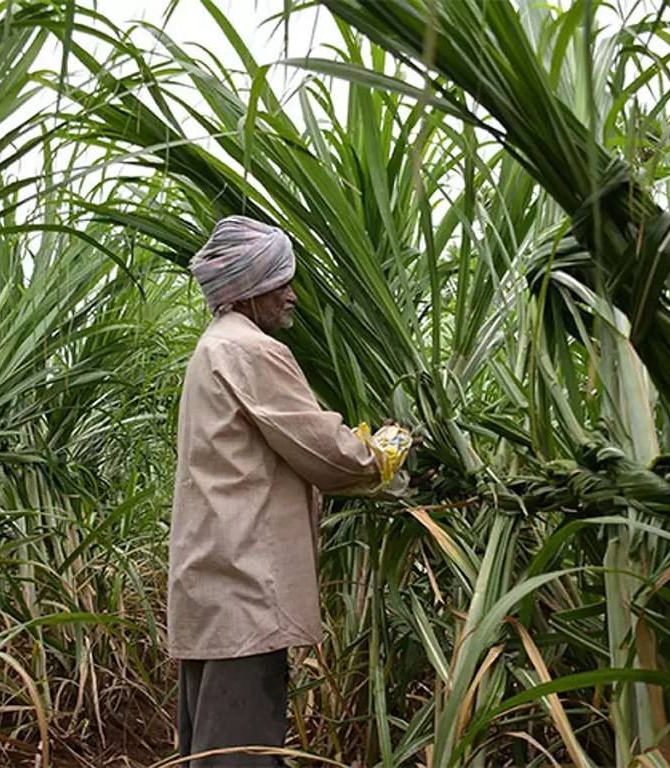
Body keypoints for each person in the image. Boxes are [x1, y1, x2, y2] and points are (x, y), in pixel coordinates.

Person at [169, 216, 402, 766]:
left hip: (217, 585)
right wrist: (381, 454)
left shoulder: (214, 346)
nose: (291, 295)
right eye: (281, 282)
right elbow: (322, 450)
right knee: (239, 753)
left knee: (208, 745)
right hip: (244, 587)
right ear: (250, 290)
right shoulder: (250, 350)